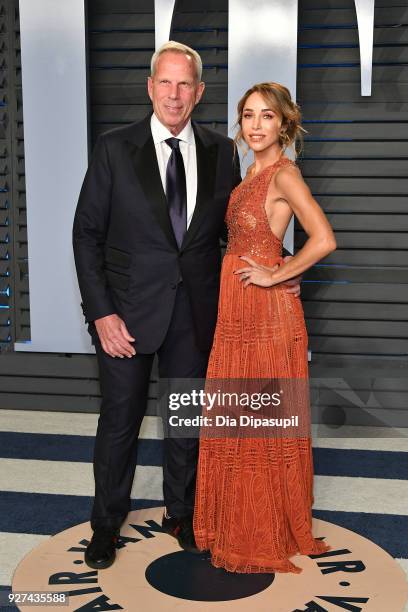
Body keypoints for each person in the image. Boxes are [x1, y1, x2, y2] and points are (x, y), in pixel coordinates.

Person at [73, 42, 300, 570]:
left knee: (184, 421)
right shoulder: (113, 147)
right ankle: (106, 524)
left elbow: (241, 231)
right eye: (166, 83)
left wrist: (279, 272)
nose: (175, 95)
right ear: (150, 87)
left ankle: (183, 513)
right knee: (120, 422)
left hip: (196, 314)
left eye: (185, 85)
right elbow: (86, 235)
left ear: (199, 93)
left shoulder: (223, 150)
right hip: (125, 317)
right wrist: (102, 313)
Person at [193, 82, 337, 573]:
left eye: (266, 117)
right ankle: (237, 520)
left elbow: (324, 239)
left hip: (266, 312)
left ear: (284, 124)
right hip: (236, 308)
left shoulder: (284, 174)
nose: (255, 125)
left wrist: (277, 272)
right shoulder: (247, 174)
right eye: (248, 115)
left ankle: (263, 528)